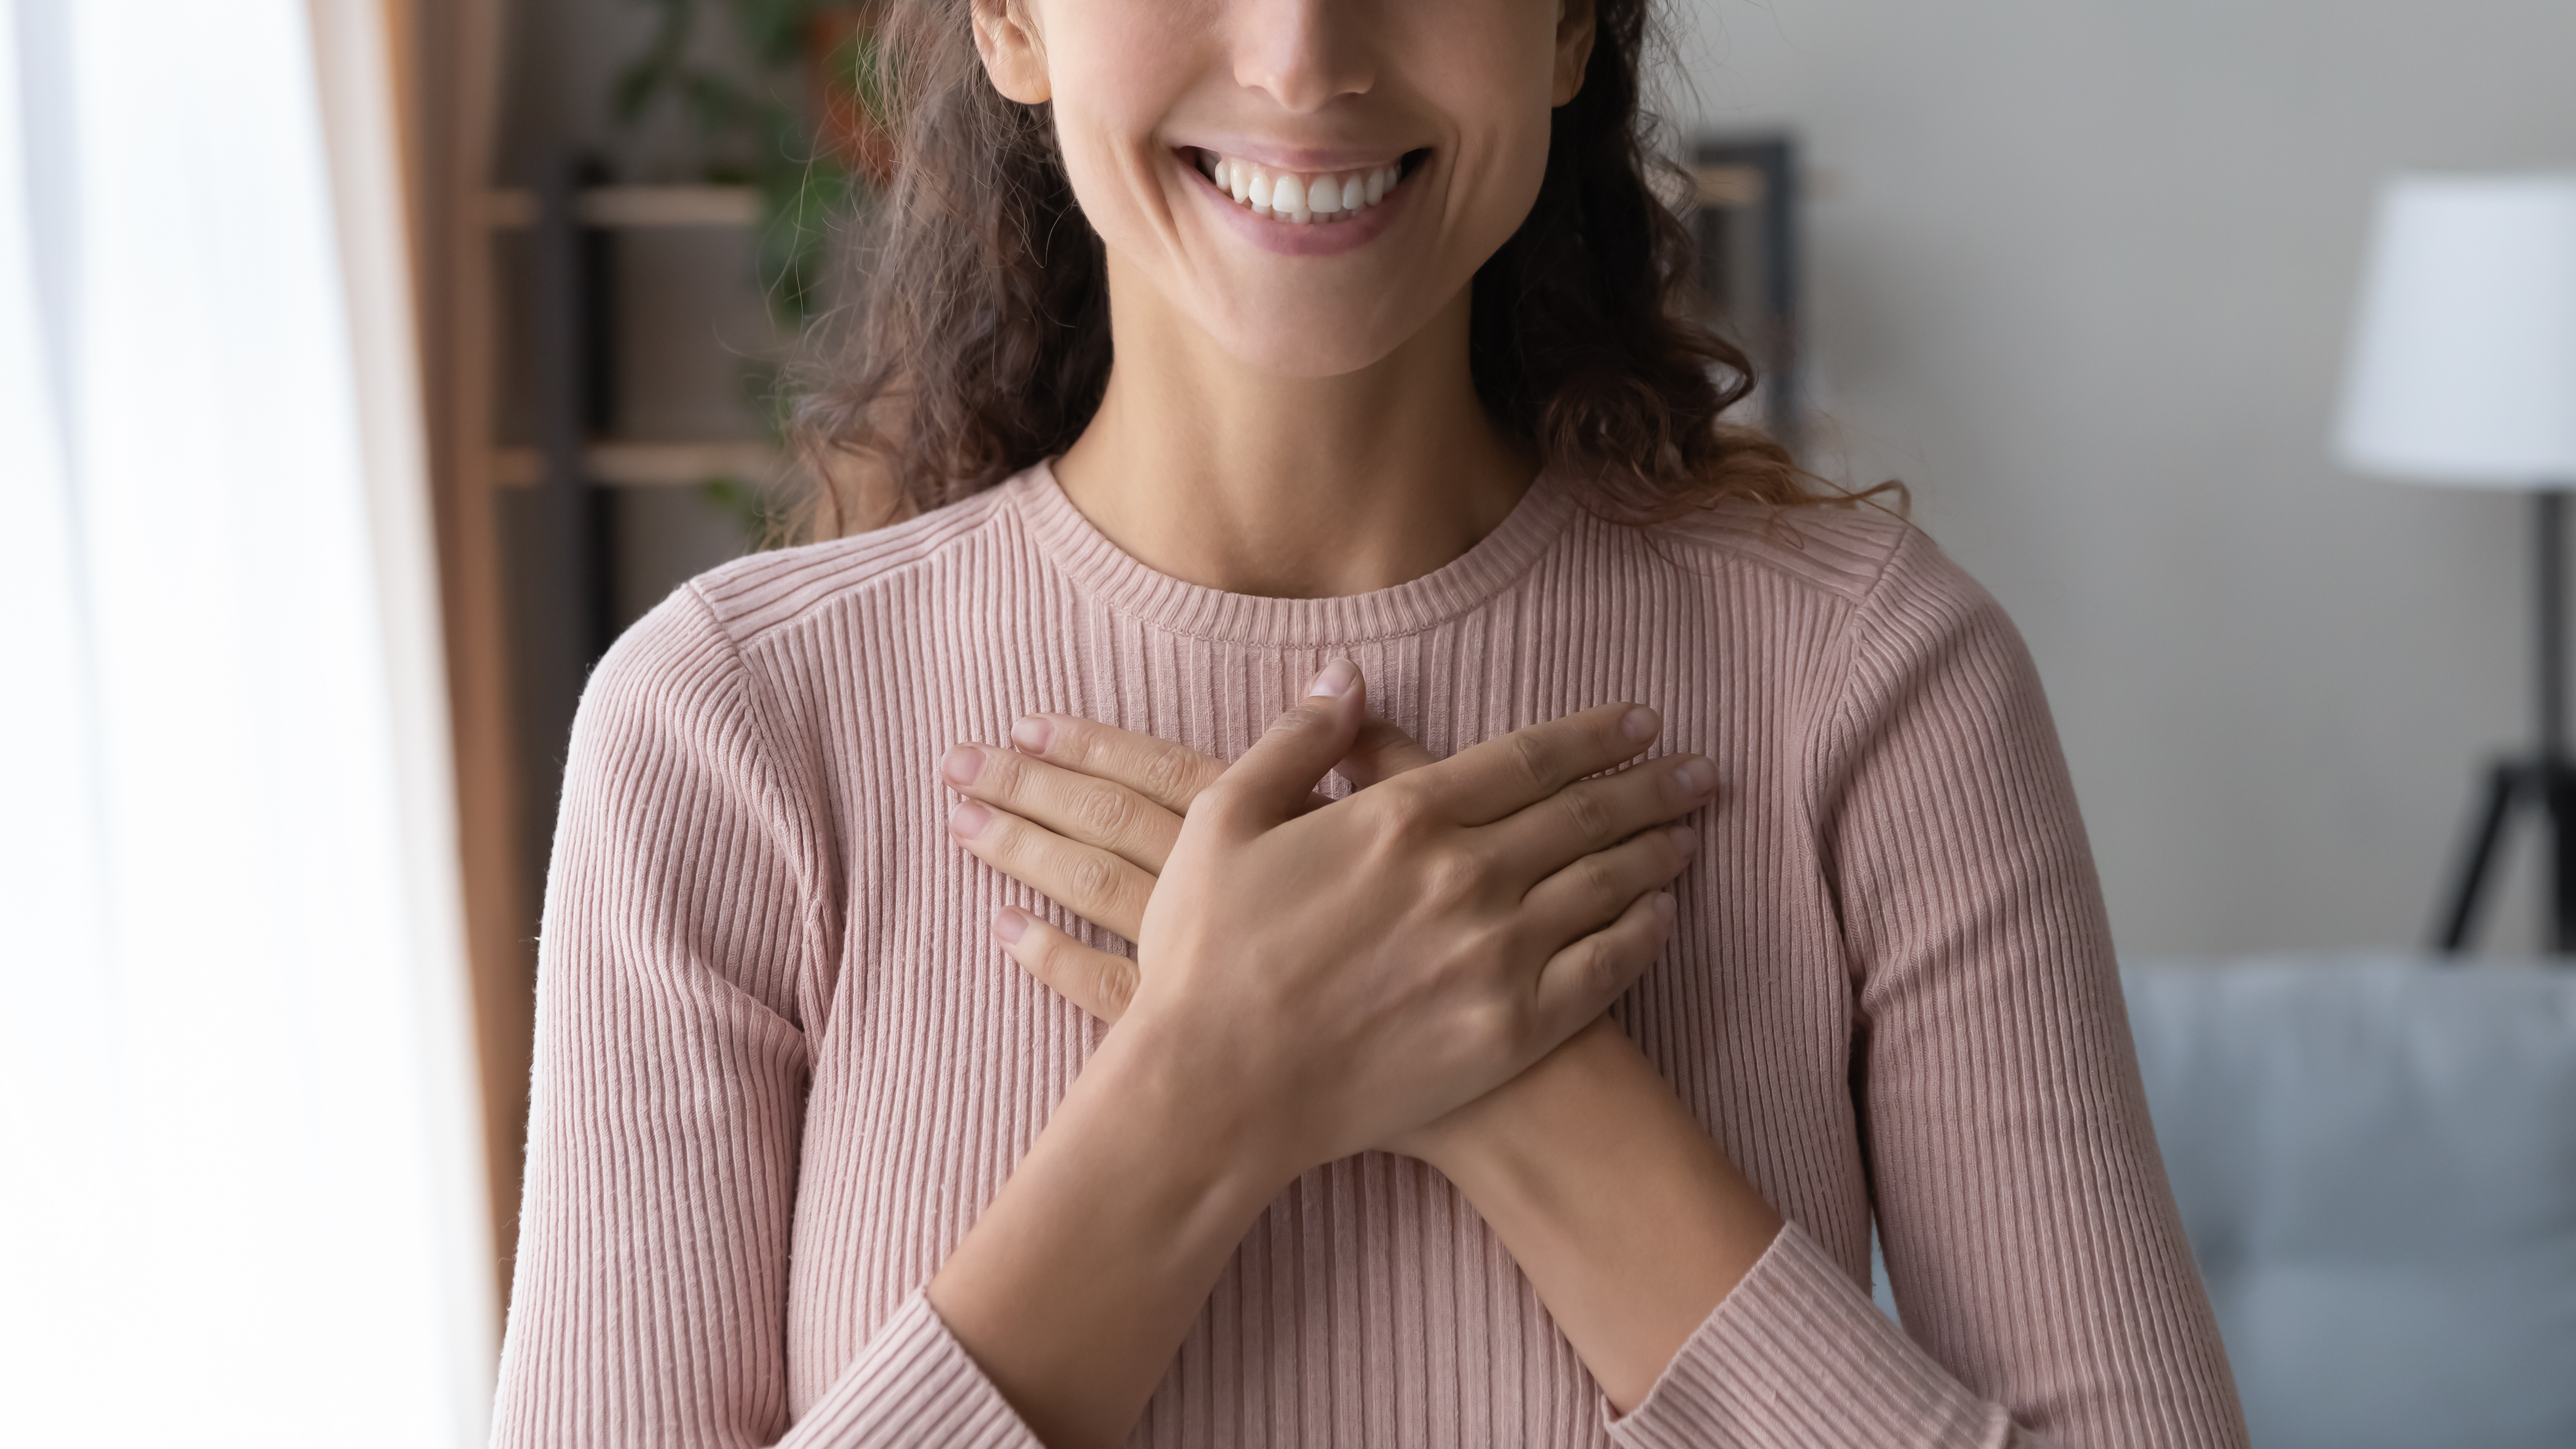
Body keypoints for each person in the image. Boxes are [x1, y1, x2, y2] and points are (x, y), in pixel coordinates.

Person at [488, 0, 2248, 1445]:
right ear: (1012, 19)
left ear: (1571, 29)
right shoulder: (725, 732)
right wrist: (1204, 1092)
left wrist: (1534, 1092)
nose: (1304, 54)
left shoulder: (1877, 684)